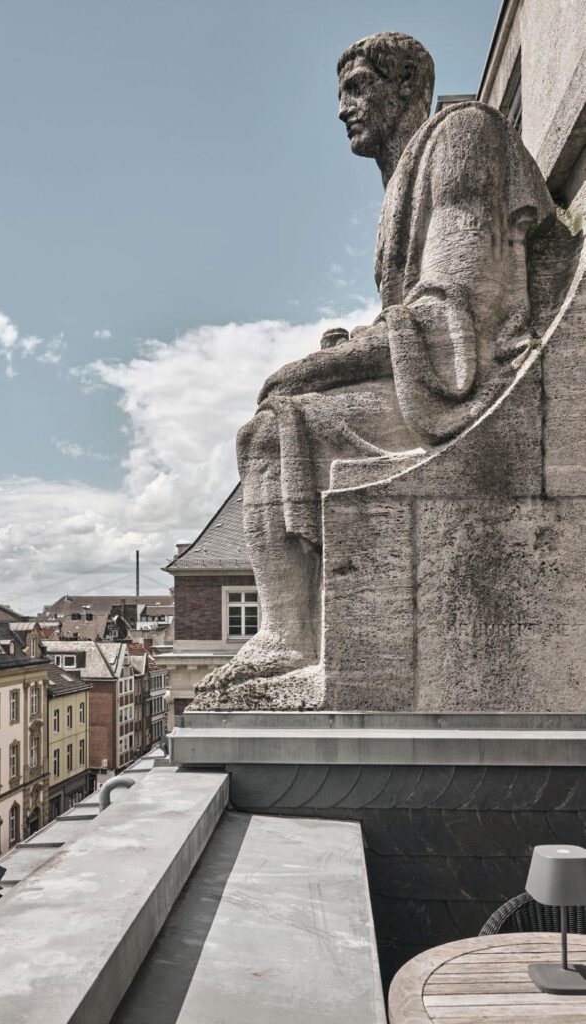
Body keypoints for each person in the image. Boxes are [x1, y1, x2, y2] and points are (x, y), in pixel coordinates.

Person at [193, 31, 556, 708]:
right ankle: (291, 633)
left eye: (358, 86)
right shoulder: (403, 181)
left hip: (482, 389)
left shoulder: (462, 137)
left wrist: (312, 370)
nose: (342, 108)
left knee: (274, 426)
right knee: (272, 419)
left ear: (408, 88)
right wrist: (351, 348)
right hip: (445, 375)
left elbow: (457, 309)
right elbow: (416, 319)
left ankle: (291, 636)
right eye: (341, 92)